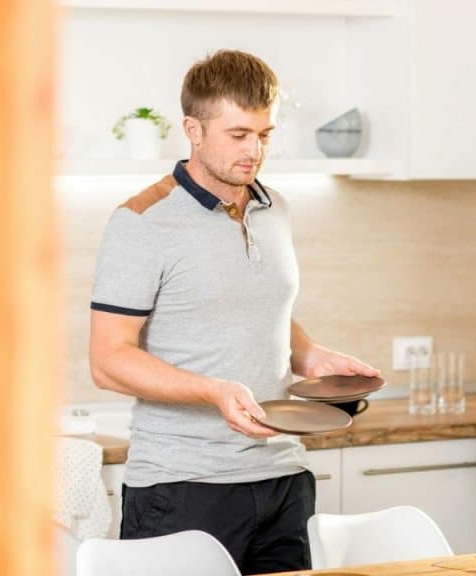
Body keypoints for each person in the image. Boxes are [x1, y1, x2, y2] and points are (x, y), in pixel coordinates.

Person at [88, 49, 378, 574]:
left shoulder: (276, 209)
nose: (255, 151)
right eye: (239, 134)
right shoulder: (141, 221)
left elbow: (250, 307)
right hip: (182, 487)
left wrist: (310, 356)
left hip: (283, 478)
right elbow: (108, 361)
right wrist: (213, 391)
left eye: (265, 134)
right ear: (193, 130)